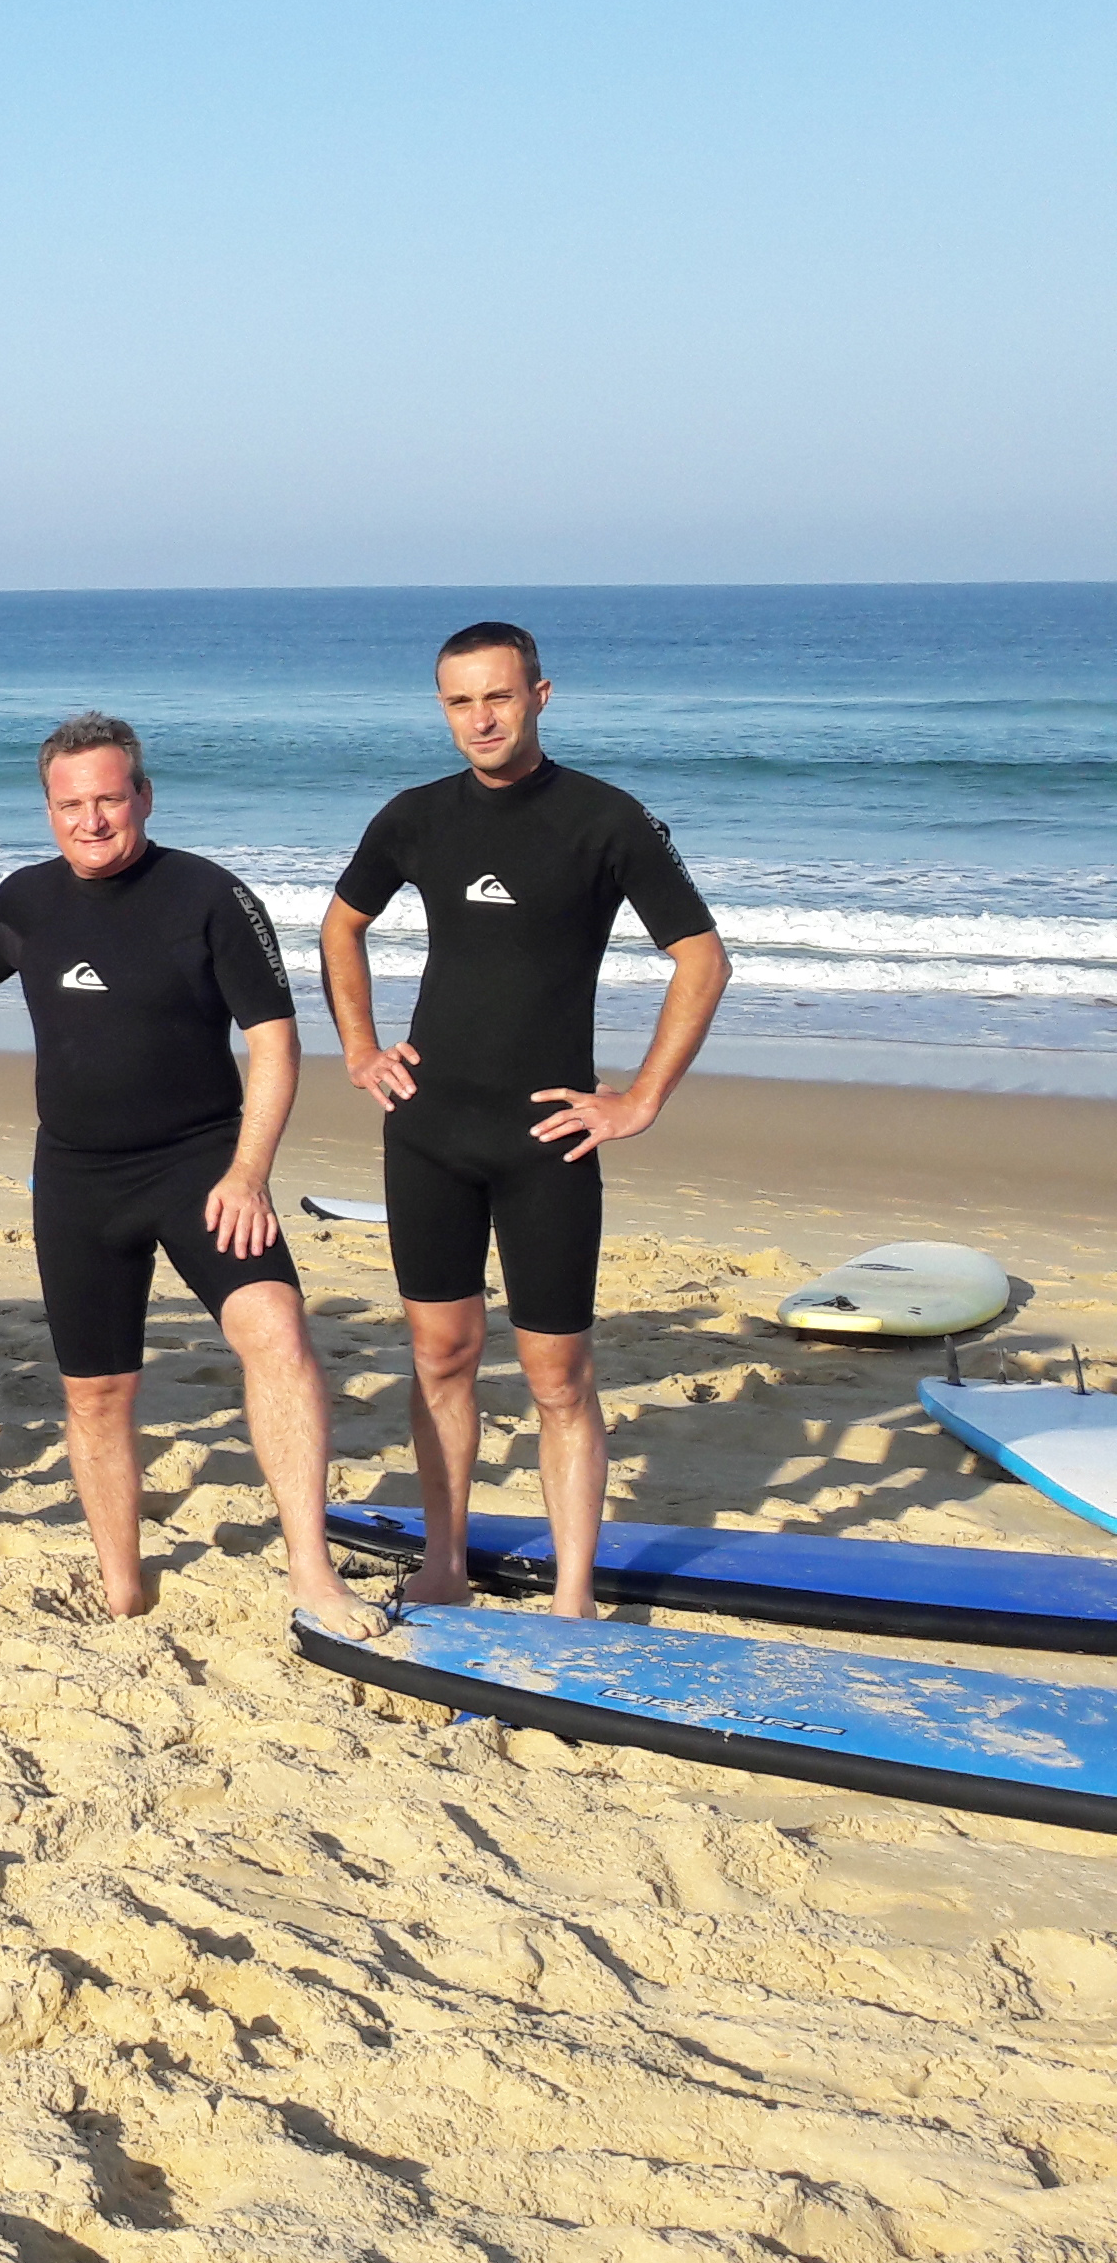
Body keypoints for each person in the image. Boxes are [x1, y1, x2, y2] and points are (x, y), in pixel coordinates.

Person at [0, 713, 371, 1628]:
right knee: (98, 1391)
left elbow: (274, 1041)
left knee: (277, 1331)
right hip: (76, 1180)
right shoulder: (27, 900)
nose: (92, 820)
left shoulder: (212, 897)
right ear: (49, 808)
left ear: (143, 795)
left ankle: (312, 1571)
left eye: (110, 798)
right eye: (72, 804)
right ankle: (120, 1589)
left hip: (200, 1166)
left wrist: (248, 1171)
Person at [319, 622, 729, 1616]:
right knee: (442, 1356)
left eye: (497, 697)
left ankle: (575, 1592)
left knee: (558, 1376)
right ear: (443, 708)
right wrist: (361, 1048)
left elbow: (703, 959)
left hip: (549, 1139)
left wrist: (640, 1100)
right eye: (460, 702)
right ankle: (447, 1561)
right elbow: (342, 923)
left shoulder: (605, 819)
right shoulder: (414, 817)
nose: (480, 719)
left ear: (541, 694)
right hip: (427, 1130)